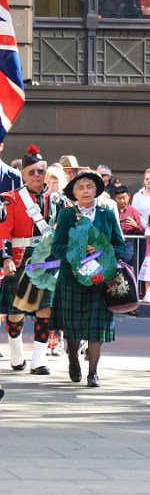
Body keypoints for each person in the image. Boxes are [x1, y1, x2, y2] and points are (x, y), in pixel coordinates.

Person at [50, 171, 126, 387]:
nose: (85, 191)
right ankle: (73, 359)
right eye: (81, 188)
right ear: (74, 193)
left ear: (96, 191)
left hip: (101, 280)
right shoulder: (66, 215)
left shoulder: (107, 214)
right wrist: (77, 250)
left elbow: (120, 246)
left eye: (89, 187)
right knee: (72, 327)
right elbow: (57, 247)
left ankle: (93, 372)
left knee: (96, 330)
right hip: (71, 281)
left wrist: (103, 250)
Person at [0, 146, 55, 375]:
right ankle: (16, 355)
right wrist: (5, 258)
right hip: (21, 260)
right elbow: (4, 232)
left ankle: (39, 361)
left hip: (47, 261)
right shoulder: (10, 199)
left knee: (45, 309)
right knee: (16, 312)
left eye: (40, 171)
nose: (36, 176)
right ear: (23, 174)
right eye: (31, 172)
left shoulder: (56, 199)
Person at [114, 186, 144, 266]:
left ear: (129, 196)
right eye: (119, 198)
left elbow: (142, 230)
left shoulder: (134, 211)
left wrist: (135, 225)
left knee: (127, 266)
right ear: (115, 198)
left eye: (124, 198)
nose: (122, 201)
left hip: (128, 243)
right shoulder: (112, 210)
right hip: (114, 243)